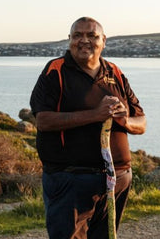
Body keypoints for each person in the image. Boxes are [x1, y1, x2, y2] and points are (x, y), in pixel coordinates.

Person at [30, 17, 146, 239]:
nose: (84, 41)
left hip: (117, 180)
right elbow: (43, 120)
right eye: (77, 35)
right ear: (70, 40)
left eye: (91, 36)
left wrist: (124, 121)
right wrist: (96, 115)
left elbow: (141, 122)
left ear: (103, 41)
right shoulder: (55, 71)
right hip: (70, 180)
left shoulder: (115, 72)